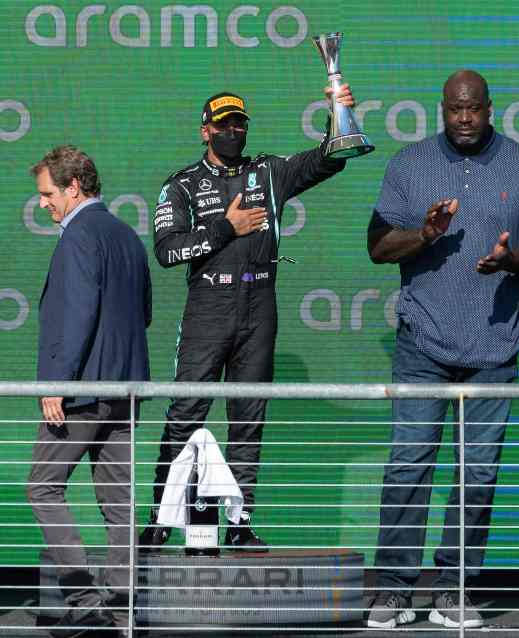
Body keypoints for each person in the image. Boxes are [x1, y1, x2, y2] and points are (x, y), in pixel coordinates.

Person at [365, 69, 519, 629]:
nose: (465, 118)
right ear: (442, 109)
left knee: (476, 472)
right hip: (423, 342)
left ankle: (455, 589)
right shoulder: (409, 165)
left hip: (494, 345)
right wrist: (425, 235)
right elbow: (379, 247)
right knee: (409, 465)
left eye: (474, 108)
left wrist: (514, 260)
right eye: (455, 109)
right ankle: (397, 590)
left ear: (490, 108)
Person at [140, 85, 356, 550]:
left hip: (260, 304)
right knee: (186, 413)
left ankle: (239, 523)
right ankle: (160, 517)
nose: (233, 131)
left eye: (240, 123)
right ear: (206, 131)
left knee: (249, 417)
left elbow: (329, 158)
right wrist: (225, 228)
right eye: (224, 125)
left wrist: (337, 109)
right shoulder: (180, 184)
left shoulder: (269, 172)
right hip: (208, 308)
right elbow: (166, 251)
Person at [28, 145, 152, 637]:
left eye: (47, 194)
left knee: (41, 486)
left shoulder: (79, 235)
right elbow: (142, 313)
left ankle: (84, 602)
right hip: (125, 388)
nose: (43, 204)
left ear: (73, 187)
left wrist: (58, 381)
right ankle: (121, 610)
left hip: (80, 391)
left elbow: (77, 314)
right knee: (119, 502)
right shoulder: (126, 235)